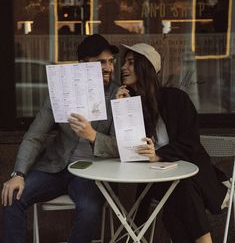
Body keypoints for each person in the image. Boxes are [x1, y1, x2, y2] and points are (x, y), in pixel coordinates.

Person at [1, 34, 119, 243]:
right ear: (82, 65)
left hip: (92, 172)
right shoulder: (62, 93)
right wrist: (18, 173)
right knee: (12, 196)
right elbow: (35, 135)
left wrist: (93, 136)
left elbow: (121, 148)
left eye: (111, 61)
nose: (108, 68)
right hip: (55, 167)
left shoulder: (118, 94)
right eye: (101, 62)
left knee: (90, 209)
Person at [116, 43, 230, 243]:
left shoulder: (176, 99)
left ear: (147, 68)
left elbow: (190, 142)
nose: (124, 67)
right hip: (153, 179)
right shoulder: (132, 105)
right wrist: (123, 108)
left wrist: (159, 155)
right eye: (124, 62)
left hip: (193, 173)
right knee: (177, 191)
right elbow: (129, 149)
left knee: (180, 187)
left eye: (131, 63)